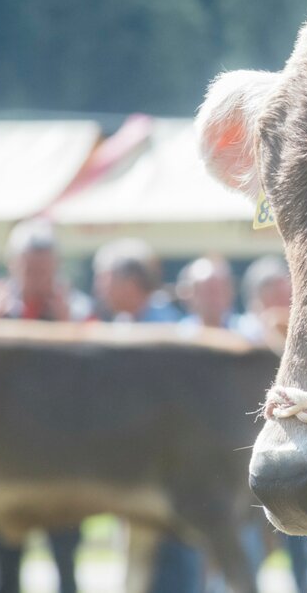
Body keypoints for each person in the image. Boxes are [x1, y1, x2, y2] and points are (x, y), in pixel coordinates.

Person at [0, 219, 92, 593]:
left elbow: (98, 378)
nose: (37, 275)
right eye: (29, 267)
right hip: (7, 460)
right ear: (13, 266)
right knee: (5, 567)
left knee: (66, 563)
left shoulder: (77, 310)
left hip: (62, 461)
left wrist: (69, 325)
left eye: (44, 267)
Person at [90, 239, 203, 593]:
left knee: (173, 565)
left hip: (170, 478)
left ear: (129, 282)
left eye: (105, 279)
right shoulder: (124, 326)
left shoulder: (167, 330)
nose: (99, 288)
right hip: (138, 472)